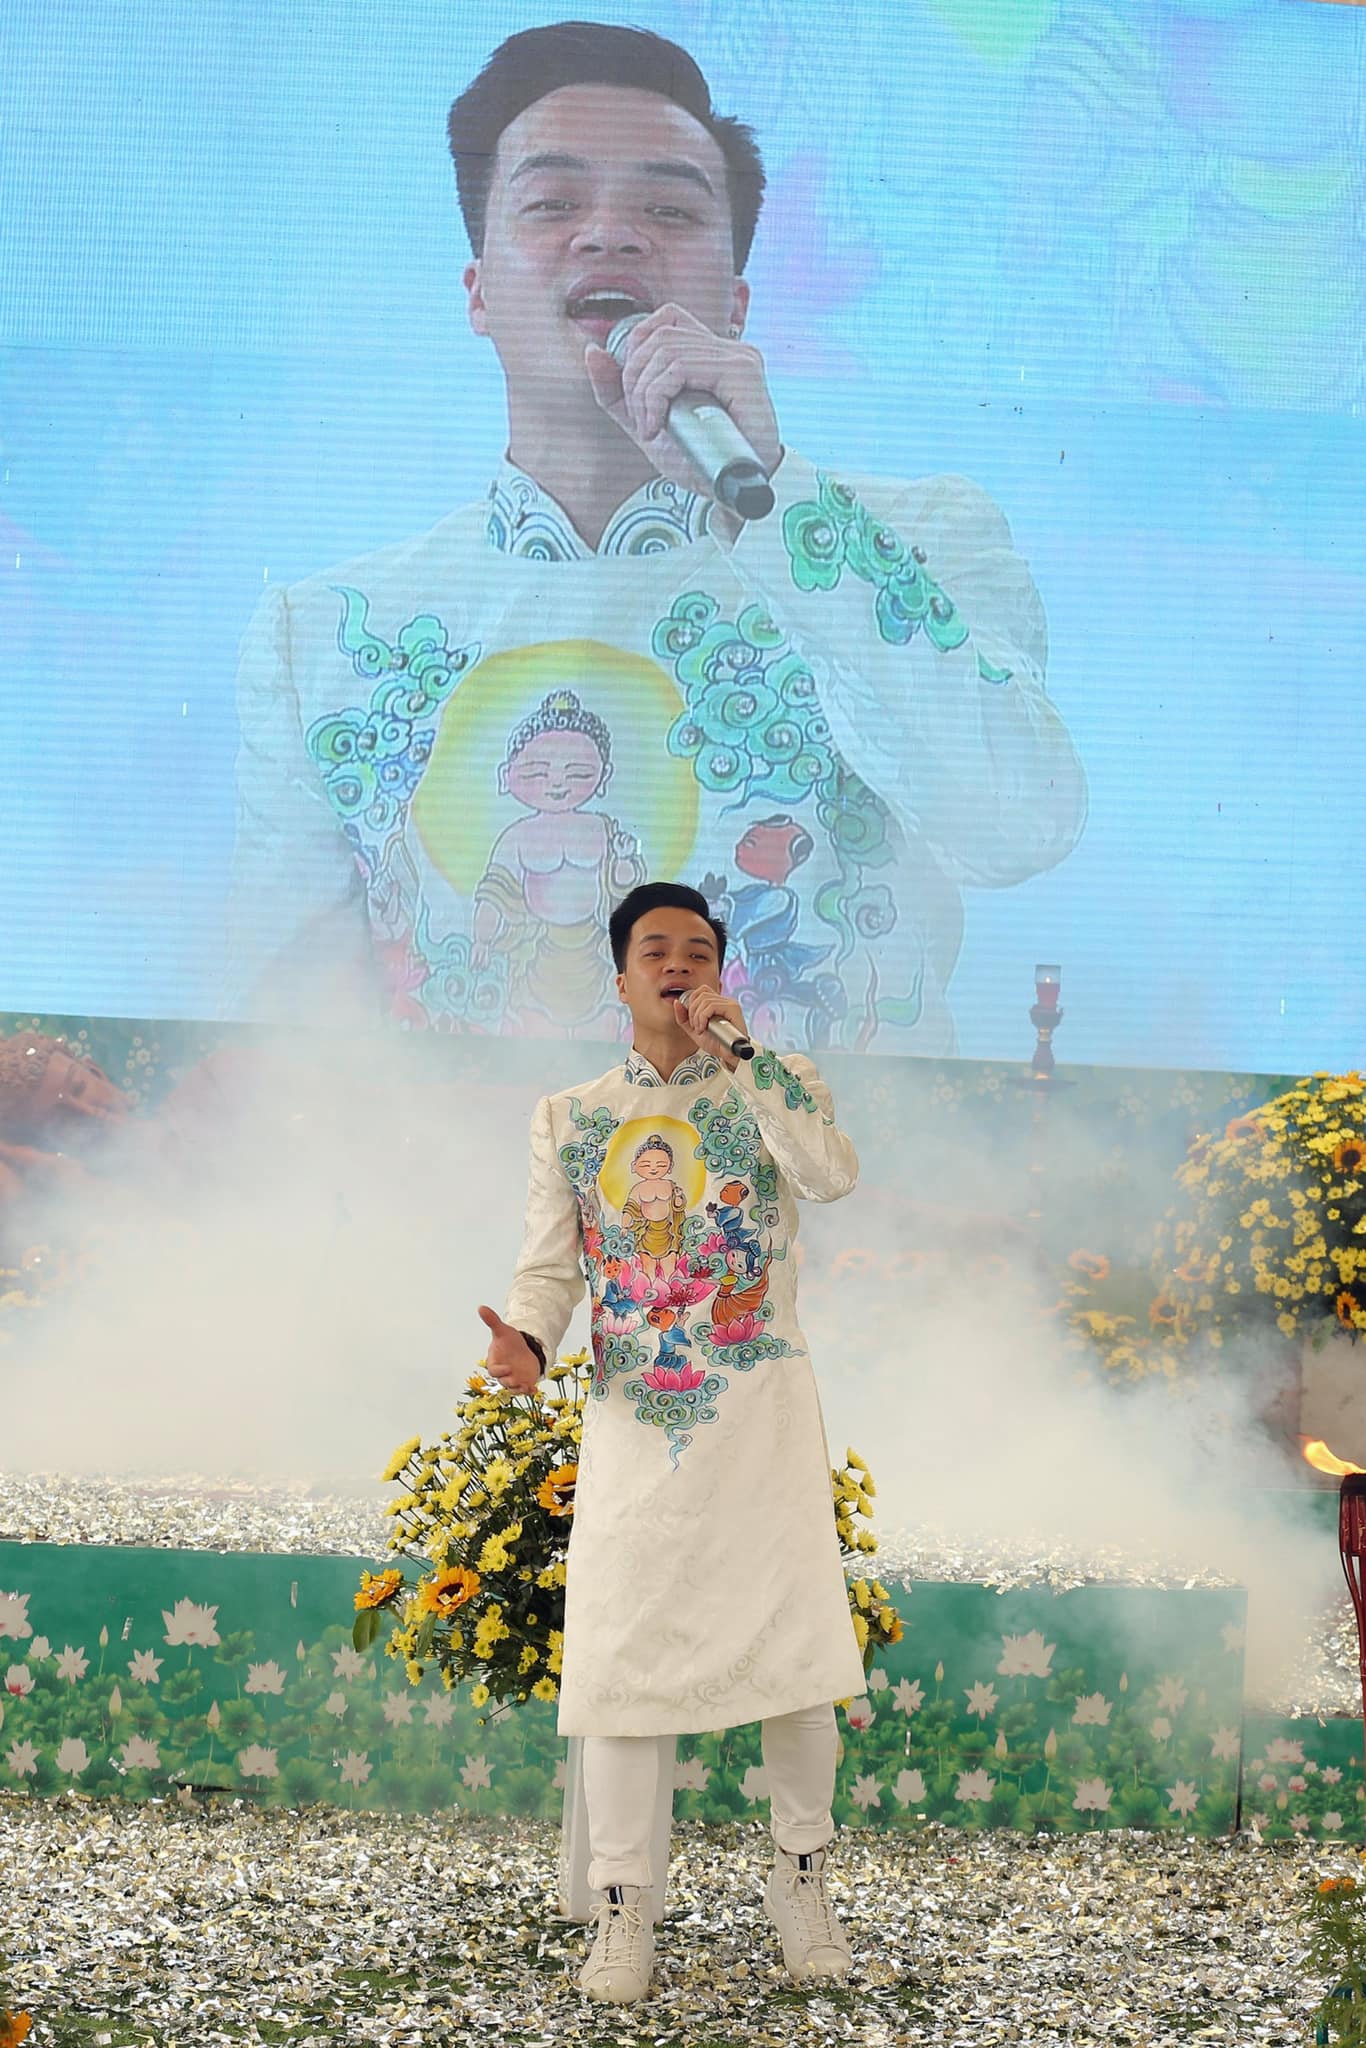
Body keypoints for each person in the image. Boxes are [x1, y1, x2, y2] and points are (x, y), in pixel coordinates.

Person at [226, 20, 1086, 1051]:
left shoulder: (907, 539)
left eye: (669, 209)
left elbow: (1021, 824)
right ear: (478, 292)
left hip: (831, 1155)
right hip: (461, 1159)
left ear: (735, 301)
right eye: (553, 204)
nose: (610, 235)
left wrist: (777, 501)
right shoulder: (325, 635)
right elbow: (287, 1035)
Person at [476, 880, 866, 2002]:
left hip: (761, 1413)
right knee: (621, 1661)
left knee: (797, 1656)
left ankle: (802, 1883)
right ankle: (622, 1909)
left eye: (698, 950)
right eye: (656, 950)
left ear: (720, 975)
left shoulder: (776, 1082)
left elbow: (831, 1175)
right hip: (637, 1421)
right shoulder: (573, 1114)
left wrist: (743, 1055)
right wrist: (528, 1343)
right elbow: (549, 1269)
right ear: (621, 977)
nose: (679, 965)